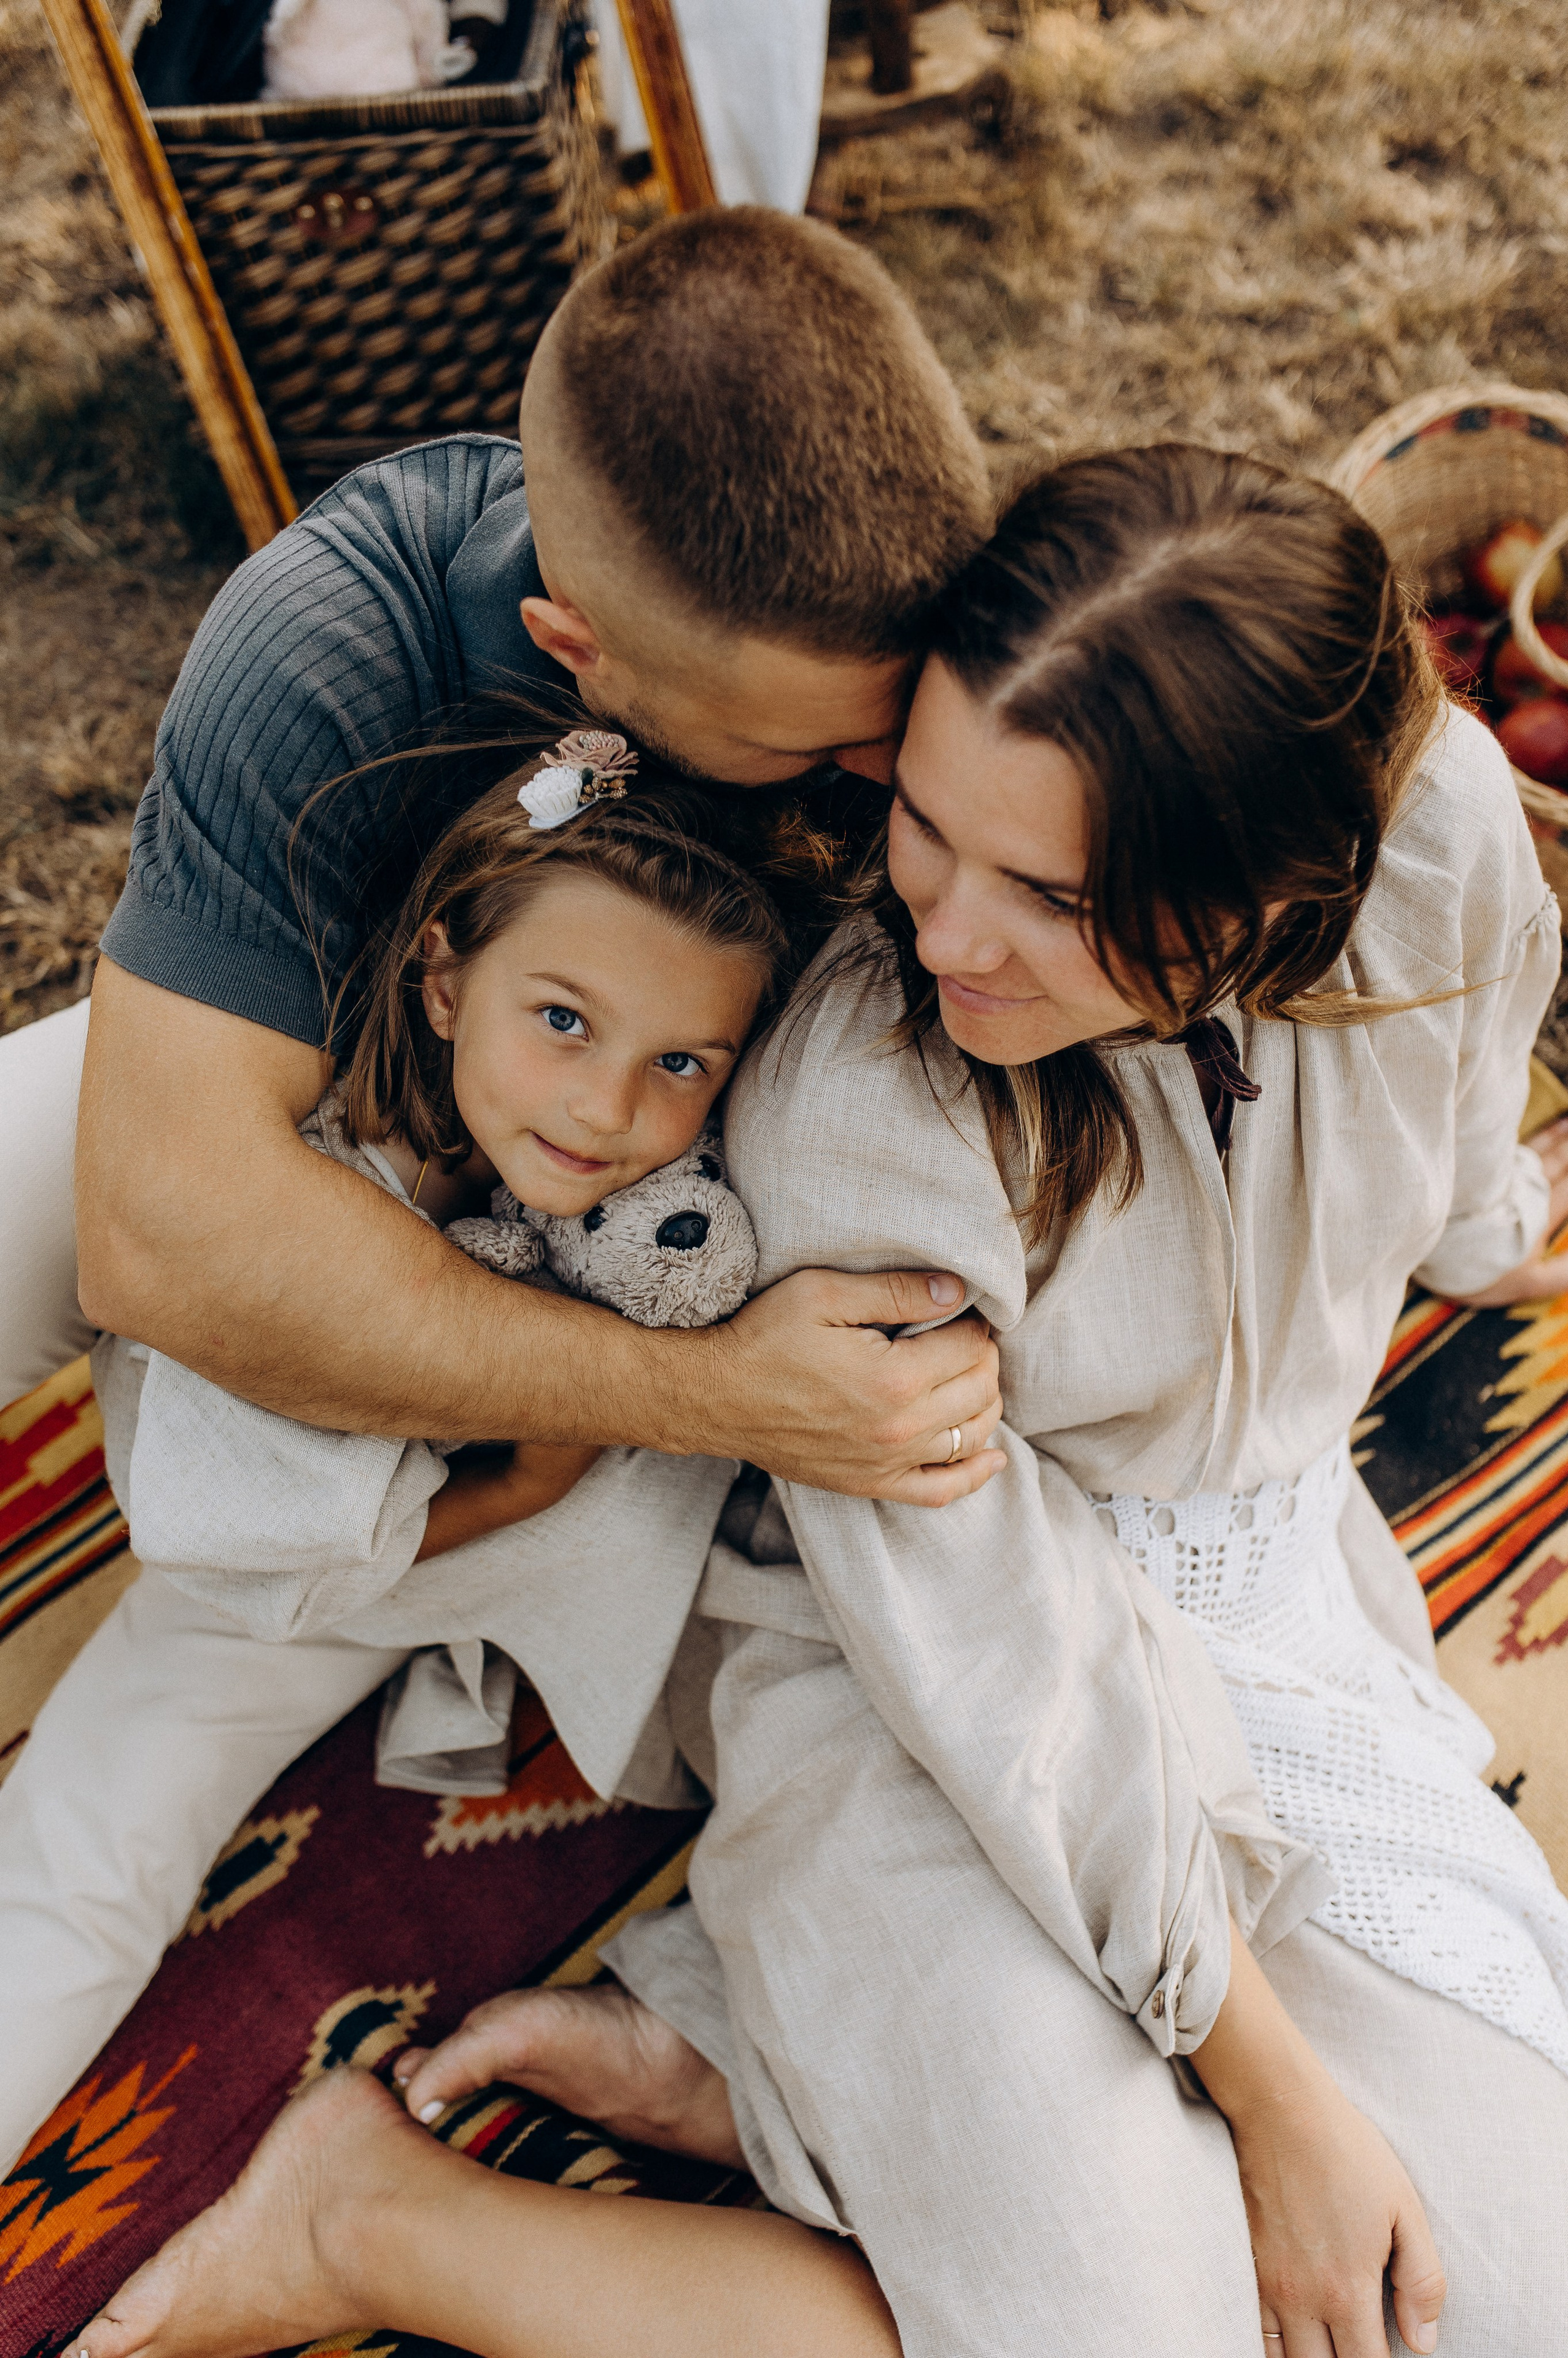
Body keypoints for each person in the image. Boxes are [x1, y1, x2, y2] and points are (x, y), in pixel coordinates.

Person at [74, 445, 1568, 2358]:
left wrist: (1469, 1215)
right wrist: (1274, 2100)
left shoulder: (1440, 820)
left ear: (1274, 891)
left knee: (1509, 2299)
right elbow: (1005, 1654)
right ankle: (377, 2220)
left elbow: (1458, 1057)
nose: (945, 933)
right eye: (924, 828)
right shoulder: (873, 1085)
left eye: (1051, 893)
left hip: (1284, 1640)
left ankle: (778, 2092)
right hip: (910, 1694)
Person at [0, 207, 1003, 1508]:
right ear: (573, 643)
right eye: (813, 748)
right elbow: (162, 1236)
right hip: (362, 1064)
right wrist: (713, 1399)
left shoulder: (910, 583)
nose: (888, 784)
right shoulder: (334, 643)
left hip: (692, 1133)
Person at [1, 749, 914, 2173]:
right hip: (256, 1404)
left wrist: (541, 1481)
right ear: (441, 980)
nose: (607, 1111)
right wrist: (524, 1481)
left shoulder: (668, 1198)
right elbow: (230, 1537)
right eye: (561, 1021)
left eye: (677, 1062)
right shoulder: (289, 1107)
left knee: (95, 1853)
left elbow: (262, 1562)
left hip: (374, 1539)